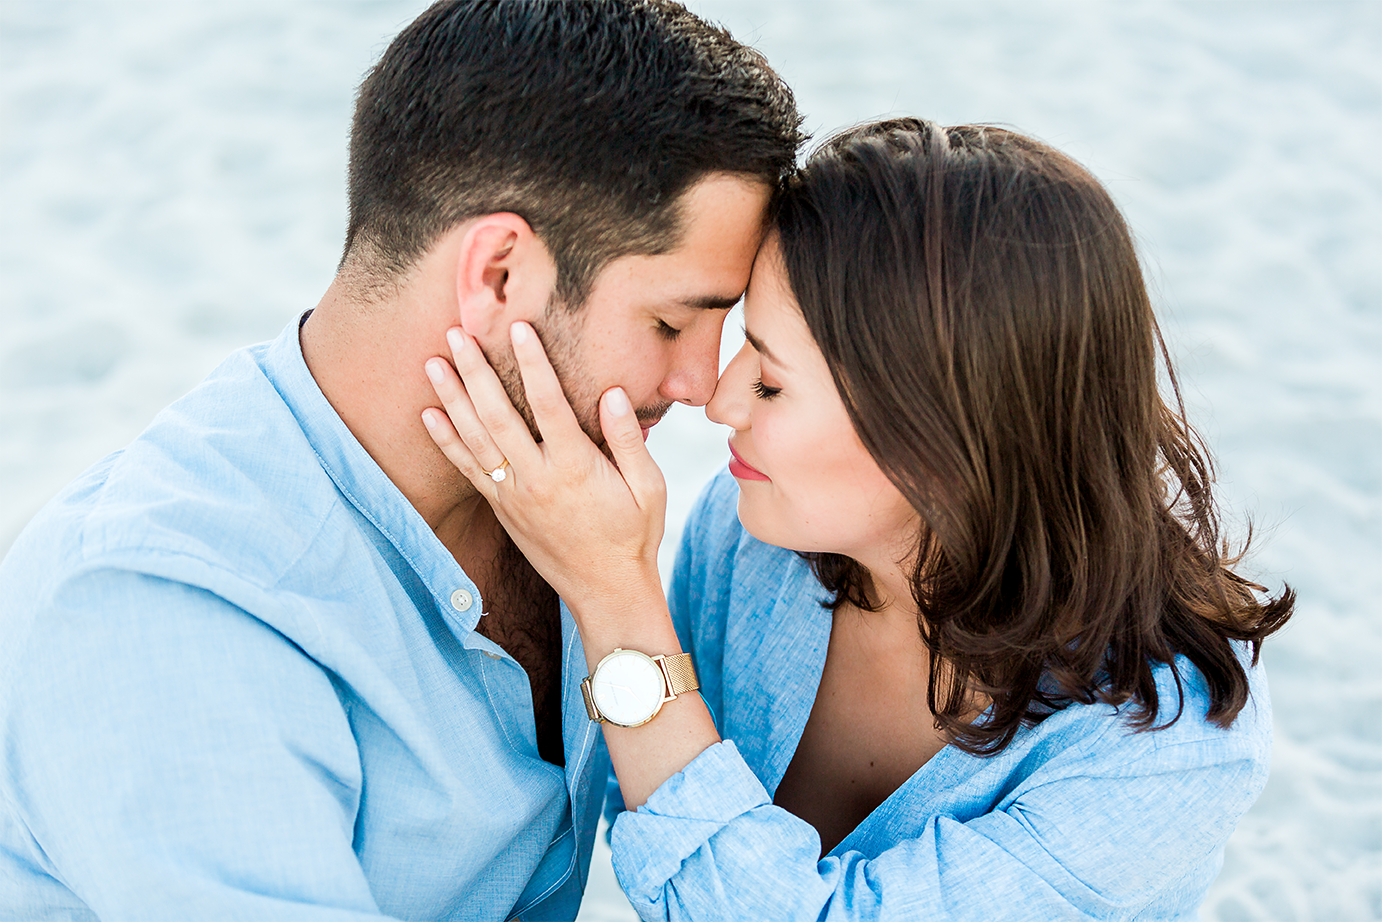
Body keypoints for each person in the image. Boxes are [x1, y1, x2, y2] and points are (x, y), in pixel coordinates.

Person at [0, 2, 802, 919]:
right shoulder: (167, 610)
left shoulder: (561, 498)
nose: (703, 382)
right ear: (498, 274)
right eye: (671, 322)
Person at [421, 118, 1296, 920]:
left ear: (938, 438)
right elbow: (636, 794)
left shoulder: (1167, 744)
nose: (720, 402)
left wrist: (615, 597)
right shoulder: (756, 536)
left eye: (768, 380)